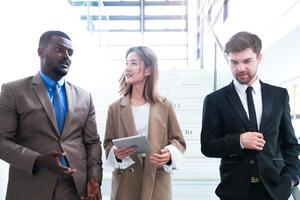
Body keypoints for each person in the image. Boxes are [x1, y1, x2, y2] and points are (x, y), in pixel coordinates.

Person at [0, 30, 102, 200]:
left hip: (74, 189)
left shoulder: (84, 96)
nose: (66, 56)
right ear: (40, 51)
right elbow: (2, 141)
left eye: (70, 52)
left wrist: (94, 177)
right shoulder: (13, 91)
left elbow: (92, 142)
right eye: (58, 49)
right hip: (30, 188)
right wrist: (38, 160)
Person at [200, 31, 300, 200]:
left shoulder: (279, 95)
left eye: (247, 61)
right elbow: (207, 146)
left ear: (259, 57)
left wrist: (292, 178)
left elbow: (290, 143)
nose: (240, 68)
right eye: (234, 62)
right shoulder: (214, 100)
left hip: (275, 189)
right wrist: (239, 140)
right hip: (234, 190)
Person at [104, 46, 186, 200]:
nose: (128, 68)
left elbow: (179, 142)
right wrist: (116, 154)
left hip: (156, 180)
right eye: (126, 63)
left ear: (148, 70)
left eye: (133, 63)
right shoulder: (115, 108)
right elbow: (108, 144)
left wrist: (169, 154)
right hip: (126, 184)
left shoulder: (165, 105)